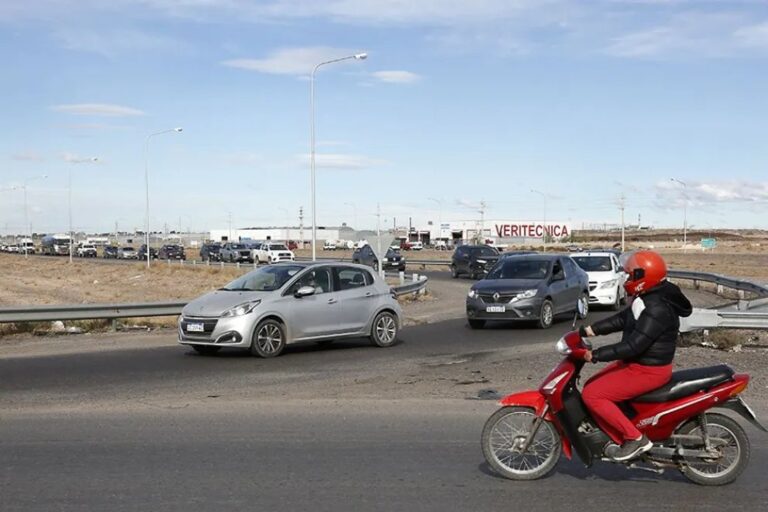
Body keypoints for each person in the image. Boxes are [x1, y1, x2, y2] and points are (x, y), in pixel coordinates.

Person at [579, 250, 692, 462]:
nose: (627, 279)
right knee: (592, 384)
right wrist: (590, 330)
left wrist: (596, 355)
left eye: (631, 275)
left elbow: (634, 346)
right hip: (638, 364)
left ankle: (635, 438)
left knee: (593, 395)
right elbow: (624, 319)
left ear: (644, 276)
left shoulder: (656, 307)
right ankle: (619, 428)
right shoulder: (650, 295)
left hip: (648, 370)